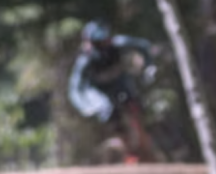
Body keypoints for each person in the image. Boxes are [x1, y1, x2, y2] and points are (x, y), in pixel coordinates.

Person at [67, 20, 158, 163]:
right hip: (99, 91)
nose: (103, 44)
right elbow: (75, 89)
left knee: (135, 104)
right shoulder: (85, 60)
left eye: (104, 40)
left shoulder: (118, 43)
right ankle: (128, 150)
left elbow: (144, 46)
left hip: (120, 83)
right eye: (97, 42)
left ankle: (144, 143)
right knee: (109, 112)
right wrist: (87, 106)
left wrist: (149, 67)